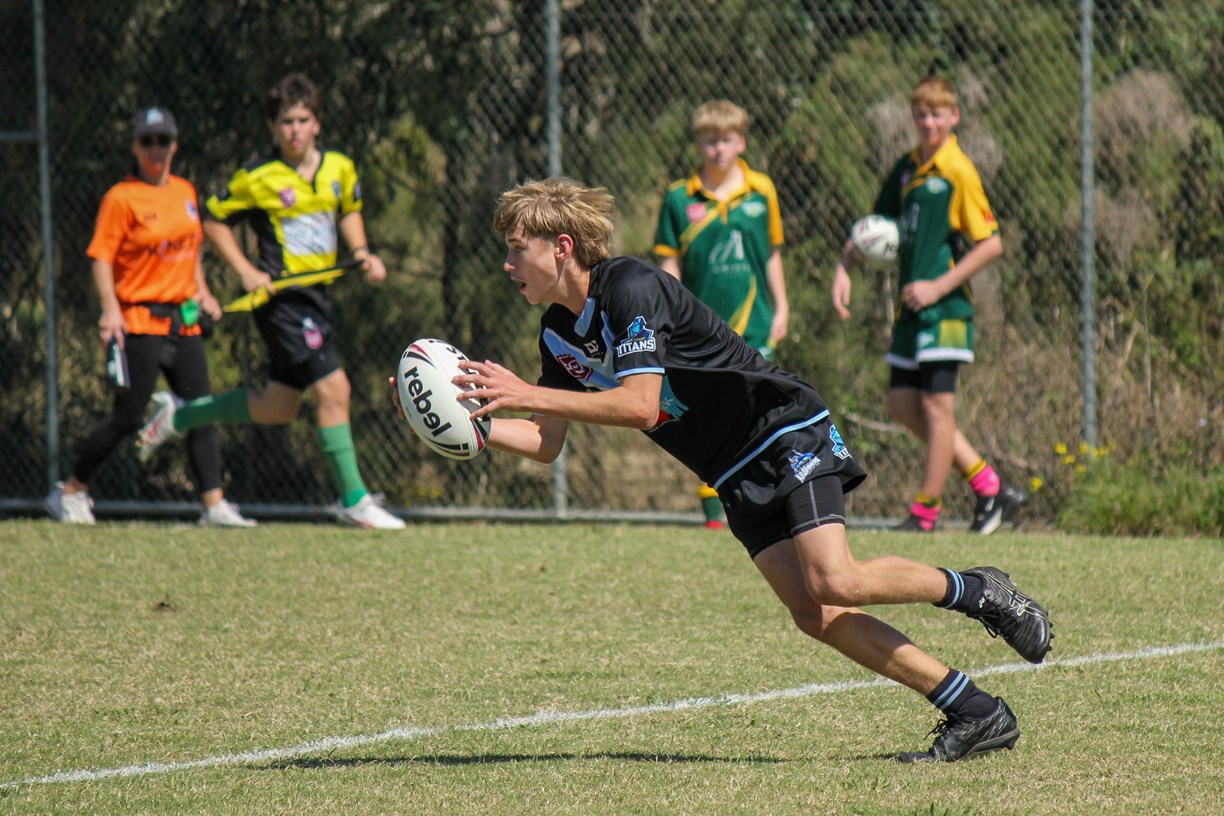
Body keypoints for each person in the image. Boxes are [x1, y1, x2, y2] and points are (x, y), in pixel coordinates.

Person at [403, 176, 1053, 761]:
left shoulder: (628, 286)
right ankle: (976, 711)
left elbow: (640, 404)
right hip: (730, 467)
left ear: (563, 247)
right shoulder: (557, 332)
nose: (509, 262)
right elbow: (547, 442)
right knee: (814, 613)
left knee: (836, 578)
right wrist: (478, 428)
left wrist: (525, 392)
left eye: (519, 248)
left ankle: (978, 590)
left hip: (778, 426)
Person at [136, 73, 404, 529]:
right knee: (334, 388)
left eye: (303, 120)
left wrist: (362, 254)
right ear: (273, 127)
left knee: (278, 406)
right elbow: (214, 219)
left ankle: (181, 416)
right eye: (286, 121)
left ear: (317, 123)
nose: (295, 129)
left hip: (317, 298)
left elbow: (349, 211)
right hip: (280, 302)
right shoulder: (257, 177)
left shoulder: (339, 168)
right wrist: (245, 271)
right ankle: (354, 499)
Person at [831, 76, 1027, 534]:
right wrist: (845, 266)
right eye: (921, 113)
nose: (928, 121)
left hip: (945, 309)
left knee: (939, 408)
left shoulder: (958, 170)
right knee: (902, 404)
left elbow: (990, 243)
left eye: (938, 113)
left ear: (954, 116)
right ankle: (988, 484)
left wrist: (938, 286)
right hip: (910, 309)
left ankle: (925, 513)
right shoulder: (907, 167)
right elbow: (871, 226)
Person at [44, 107, 254, 528]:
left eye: (163, 141)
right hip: (140, 324)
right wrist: (110, 311)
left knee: (201, 406)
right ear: (135, 147)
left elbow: (190, 252)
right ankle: (70, 491)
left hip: (184, 324)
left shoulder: (185, 191)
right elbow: (101, 259)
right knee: (128, 415)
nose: (156, 149)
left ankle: (213, 504)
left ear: (174, 145)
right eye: (147, 141)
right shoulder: (121, 198)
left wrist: (204, 293)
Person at [653, 100, 789, 530]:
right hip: (700, 331)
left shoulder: (761, 189)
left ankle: (768, 502)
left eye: (727, 140)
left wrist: (783, 306)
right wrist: (665, 315)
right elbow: (668, 265)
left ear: (741, 141)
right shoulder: (679, 197)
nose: (718, 149)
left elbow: (769, 254)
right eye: (710, 140)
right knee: (708, 414)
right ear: (699, 143)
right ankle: (714, 515)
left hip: (756, 322)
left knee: (758, 411)